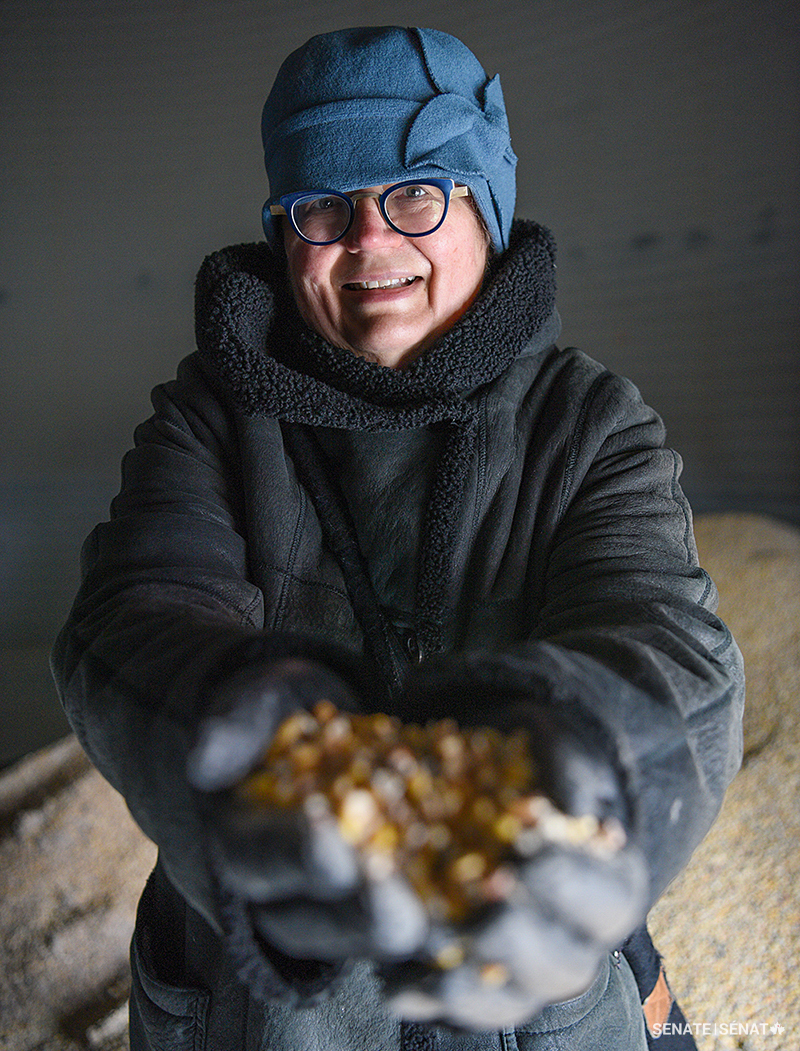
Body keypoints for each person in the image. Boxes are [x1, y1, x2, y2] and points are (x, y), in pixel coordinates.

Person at [51, 25, 745, 1051]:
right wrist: (258, 752)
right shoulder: (208, 417)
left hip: (522, 989)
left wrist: (584, 761)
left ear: (484, 206)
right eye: (321, 207)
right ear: (284, 234)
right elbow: (133, 620)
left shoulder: (588, 420)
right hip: (263, 997)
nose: (369, 243)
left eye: (414, 192)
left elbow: (671, 654)